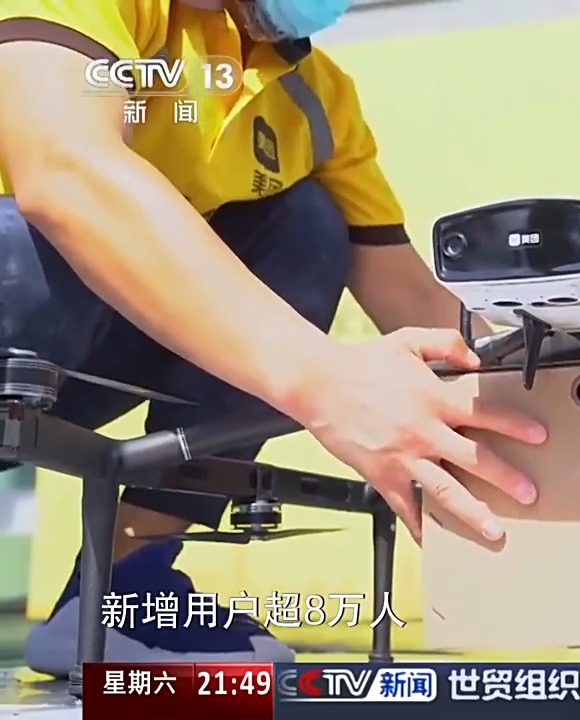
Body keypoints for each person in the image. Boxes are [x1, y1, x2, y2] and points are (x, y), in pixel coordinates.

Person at [0, 0, 546, 676]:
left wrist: (545, 406)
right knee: (27, 239)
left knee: (307, 228)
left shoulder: (317, 100)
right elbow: (65, 173)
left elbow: (407, 291)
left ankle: (118, 590)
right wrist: (326, 384)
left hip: (89, 349)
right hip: (21, 302)